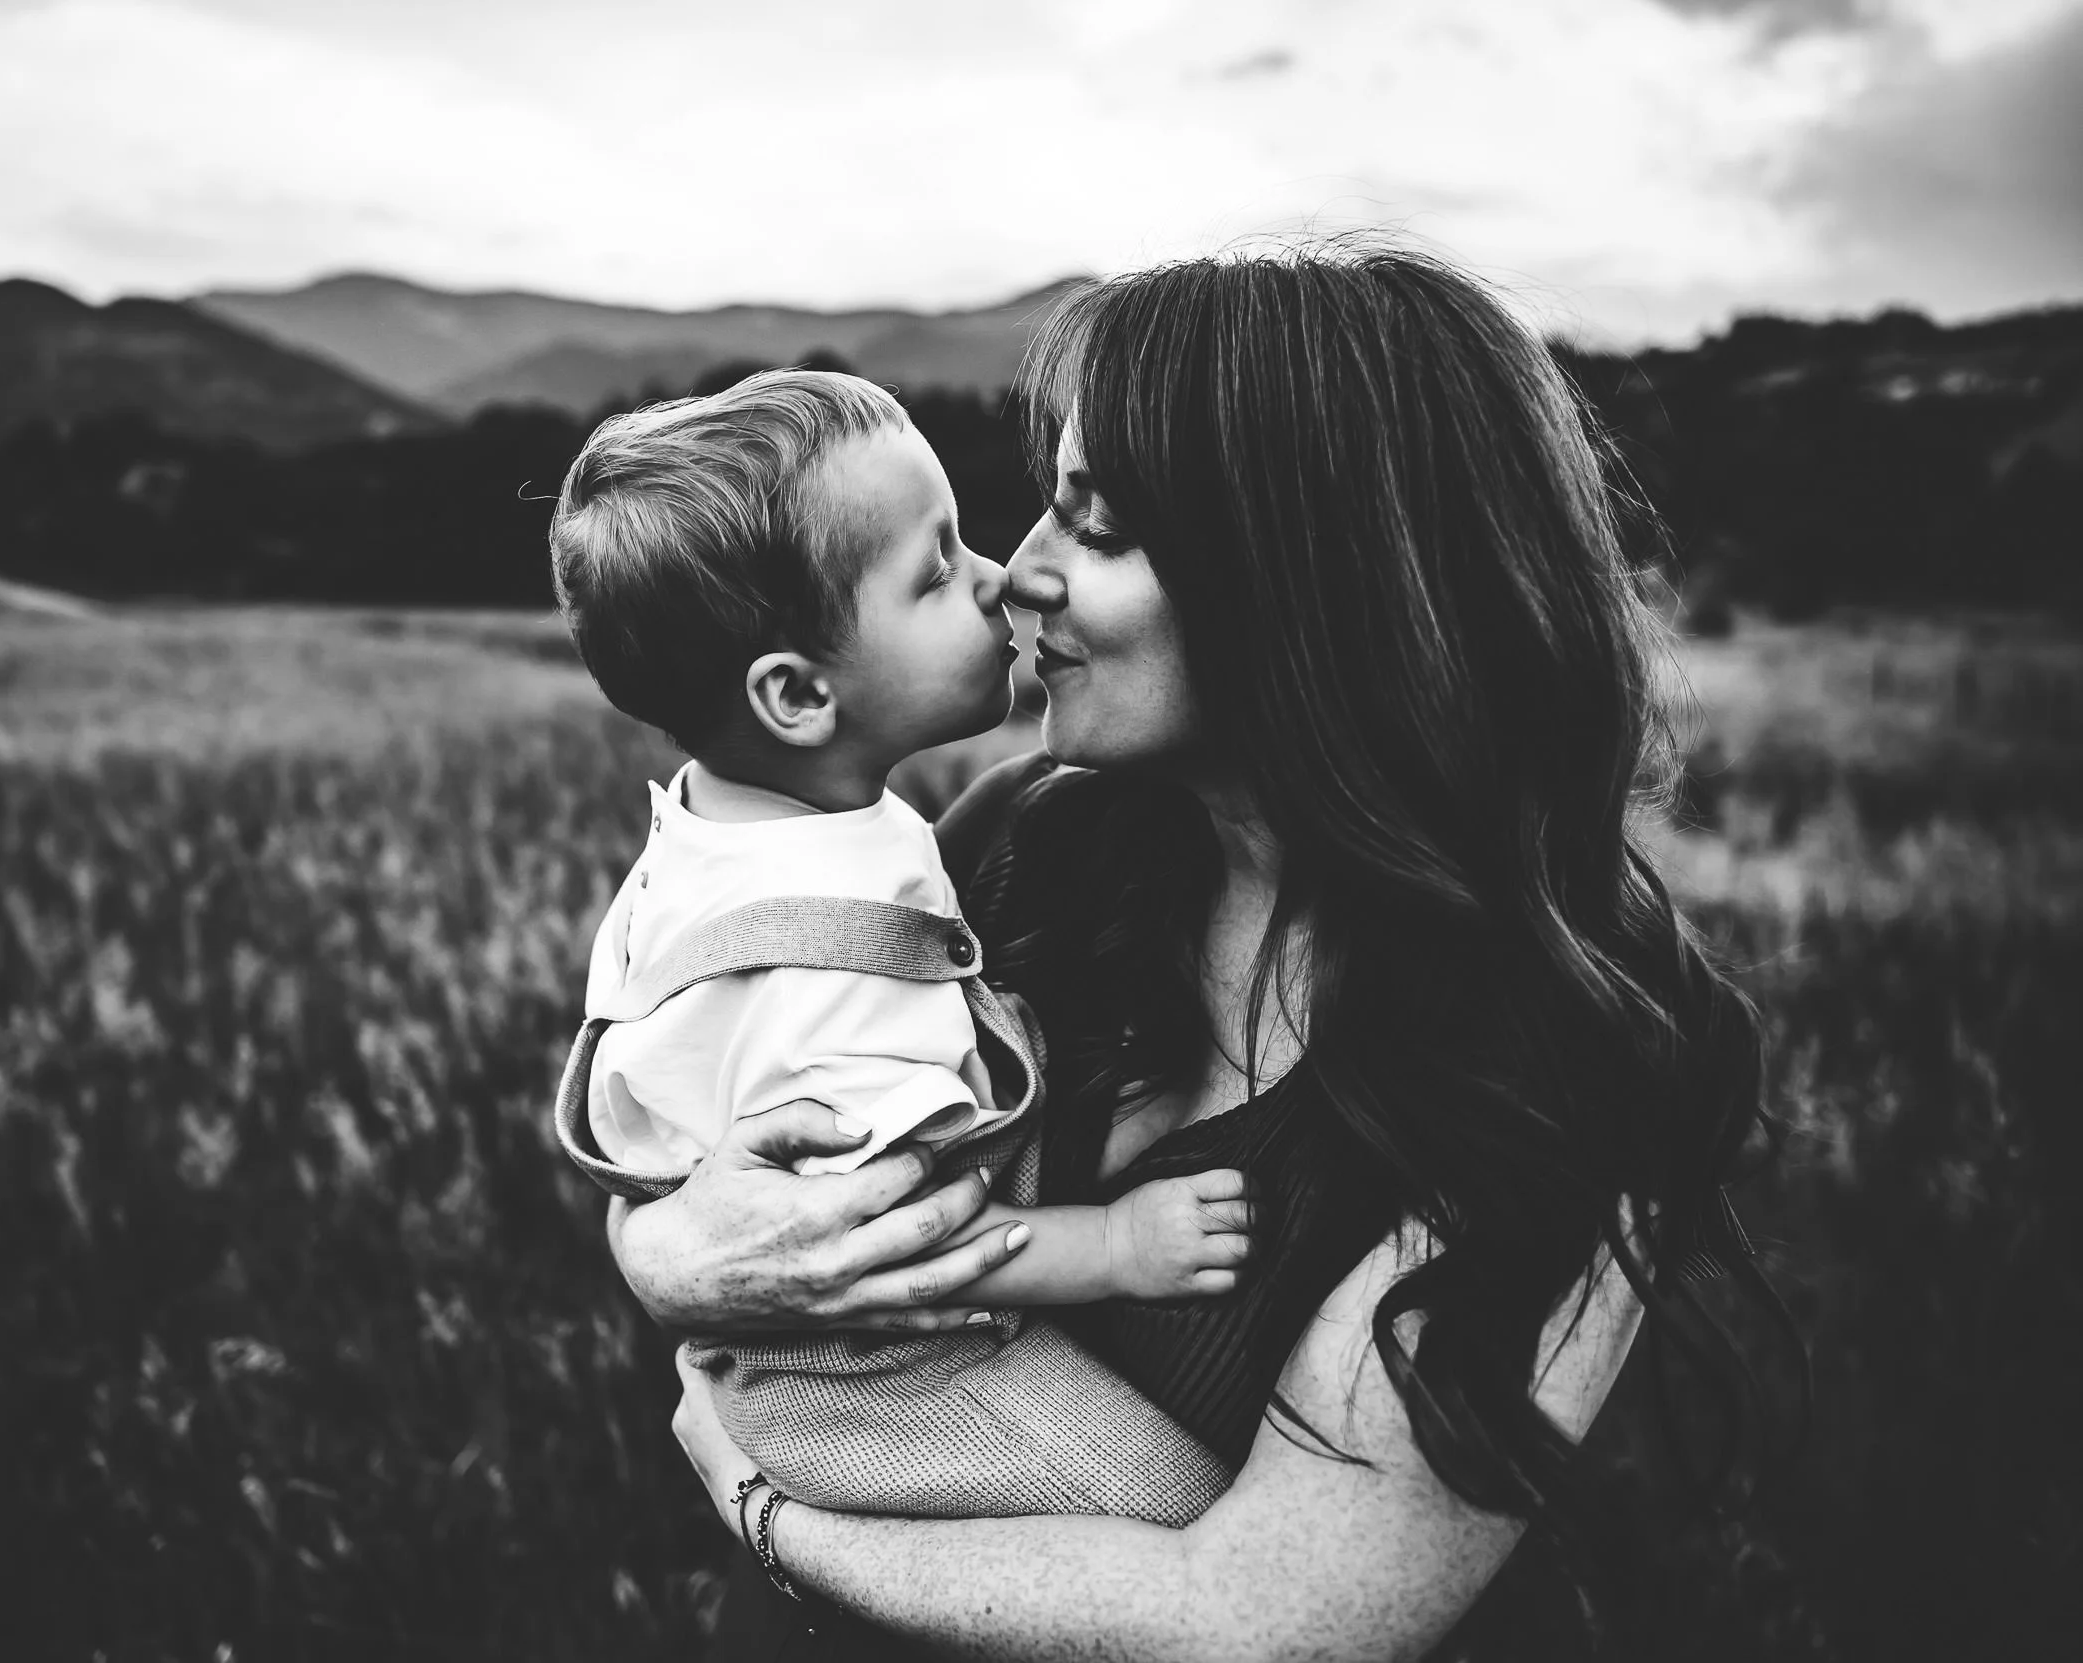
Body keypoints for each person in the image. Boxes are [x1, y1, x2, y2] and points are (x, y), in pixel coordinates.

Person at [610, 244, 1795, 1659]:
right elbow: (734, 1129)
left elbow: (1268, 1620)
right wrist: (669, 1251)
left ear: (1315, 585)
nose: (1018, 580)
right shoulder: (1019, 847)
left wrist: (763, 1509)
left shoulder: (1571, 1062)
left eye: (1094, 531)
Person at [545, 368, 1251, 1525]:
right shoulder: (834, 963)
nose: (1001, 579)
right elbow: (897, 1232)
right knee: (1172, 1514)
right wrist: (1116, 1244)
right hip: (875, 1378)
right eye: (935, 570)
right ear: (795, 694)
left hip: (807, 1370)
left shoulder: (720, 840)